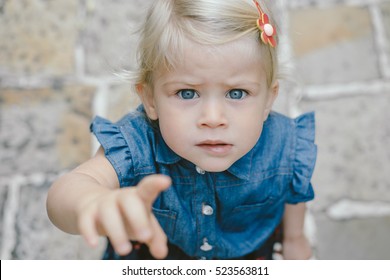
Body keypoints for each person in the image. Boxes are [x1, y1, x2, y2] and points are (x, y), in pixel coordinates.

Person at [46, 0, 317, 260]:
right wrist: (90, 202)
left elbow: (292, 192)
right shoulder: (137, 143)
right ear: (150, 99)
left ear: (269, 99)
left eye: (237, 93)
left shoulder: (286, 144)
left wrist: (295, 239)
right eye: (187, 93)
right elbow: (67, 192)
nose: (213, 118)